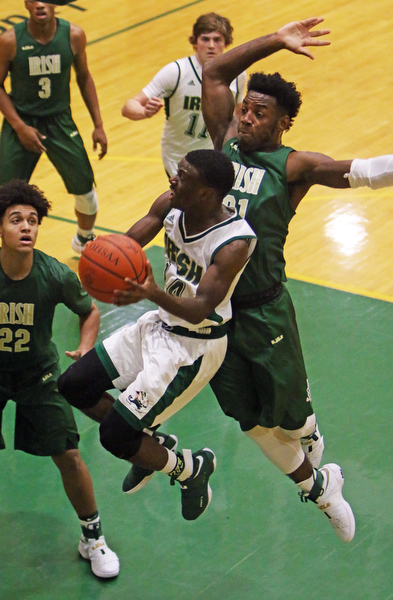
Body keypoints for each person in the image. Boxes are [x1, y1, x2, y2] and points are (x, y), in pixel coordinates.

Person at [58, 149, 257, 521]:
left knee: (115, 436)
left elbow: (202, 307)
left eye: (183, 176)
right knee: (73, 385)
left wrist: (150, 292)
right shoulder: (171, 203)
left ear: (206, 194)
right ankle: (152, 447)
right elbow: (129, 244)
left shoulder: (233, 243)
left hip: (193, 347)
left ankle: (190, 470)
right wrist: (102, 254)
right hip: (158, 324)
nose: (173, 179)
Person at [0, 179, 119, 578]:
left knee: (68, 455)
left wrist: (86, 350)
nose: (26, 227)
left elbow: (90, 312)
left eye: (32, 220)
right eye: (16, 219)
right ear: (1, 228)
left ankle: (94, 539)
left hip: (39, 374)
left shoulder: (53, 274)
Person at [0, 1, 107, 254]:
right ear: (26, 4)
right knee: (3, 193)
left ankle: (83, 239)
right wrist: (19, 126)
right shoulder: (10, 40)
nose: (39, 4)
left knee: (85, 187)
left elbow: (84, 76)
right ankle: (7, 251)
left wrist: (98, 125)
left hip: (59, 121)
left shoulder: (73, 35)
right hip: (22, 121)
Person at [121, 12, 247, 178]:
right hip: (178, 157)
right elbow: (129, 106)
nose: (211, 45)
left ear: (226, 43)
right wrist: (144, 112)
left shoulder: (237, 75)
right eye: (205, 39)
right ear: (195, 42)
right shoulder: (176, 72)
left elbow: (237, 115)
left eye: (217, 40)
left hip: (214, 155)